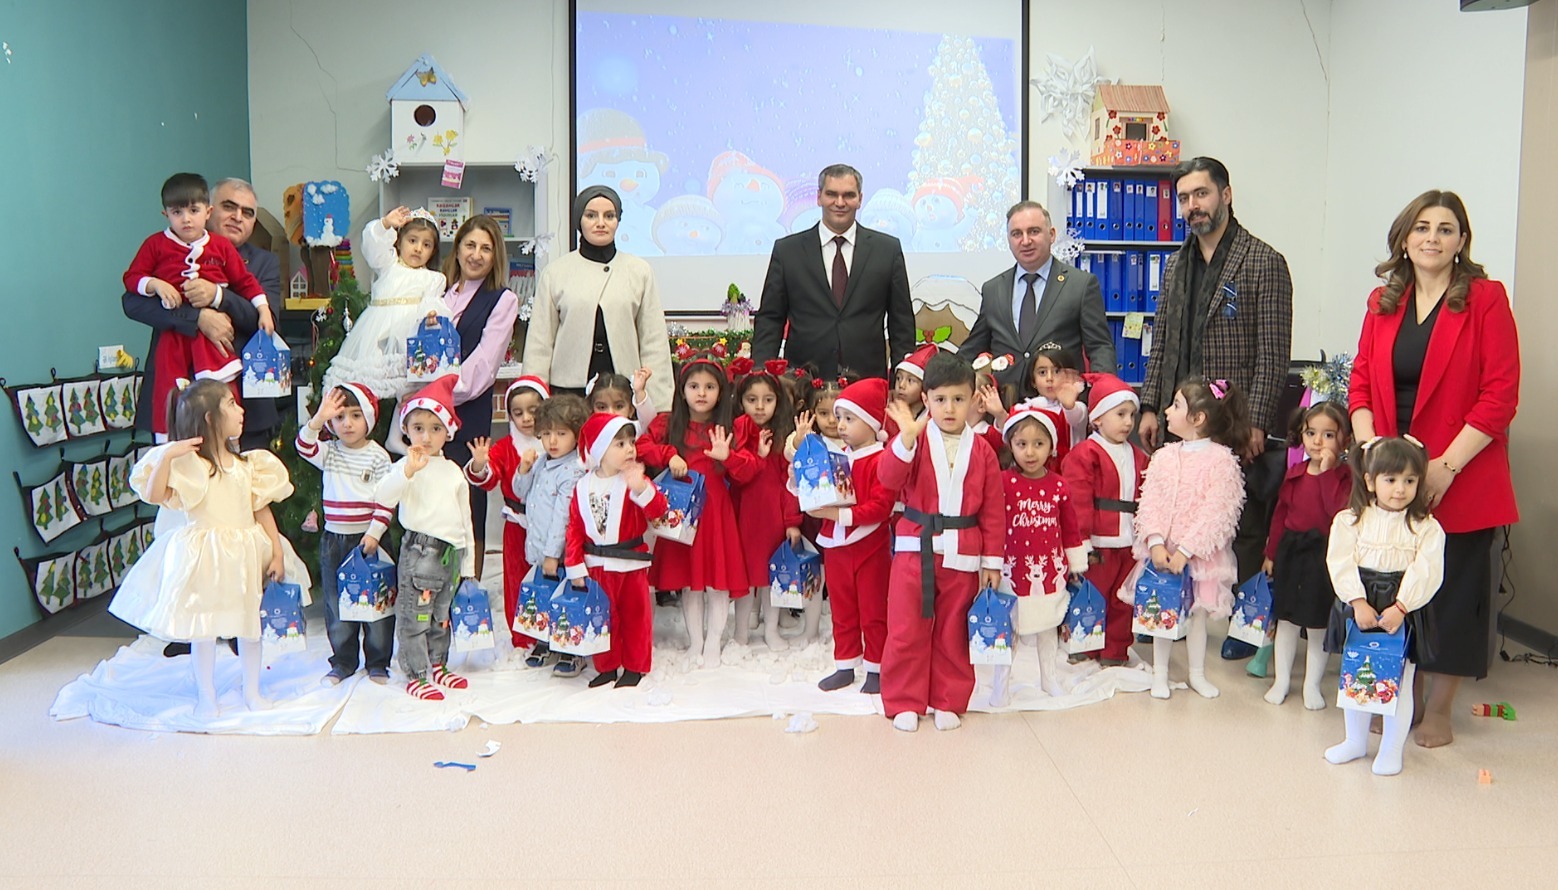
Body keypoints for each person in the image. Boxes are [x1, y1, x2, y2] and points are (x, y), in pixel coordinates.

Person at [1346, 189, 1519, 748]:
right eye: (1422, 227)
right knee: (1392, 585)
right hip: (1391, 476)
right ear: (1404, 238)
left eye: (1445, 229)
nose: (1432, 238)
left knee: (1451, 592)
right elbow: (1360, 384)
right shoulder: (1382, 301)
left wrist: (1445, 467)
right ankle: (1396, 695)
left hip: (1461, 469)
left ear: (1462, 241)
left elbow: (1500, 395)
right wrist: (1372, 453)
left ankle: (1439, 710)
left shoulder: (1486, 299)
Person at [1138, 158, 1293, 657]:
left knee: (1237, 524)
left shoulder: (1263, 261)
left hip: (1232, 416)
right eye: (1184, 198)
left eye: (1201, 194)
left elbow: (1273, 353)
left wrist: (1257, 421)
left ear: (1226, 194)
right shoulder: (1176, 265)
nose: (1192, 206)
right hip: (1182, 415)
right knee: (1180, 516)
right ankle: (1172, 613)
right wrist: (1150, 405)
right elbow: (1162, 342)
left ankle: (1242, 628)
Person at [108, 379, 307, 718]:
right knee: (203, 629)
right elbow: (155, 495)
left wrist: (276, 551)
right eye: (231, 404)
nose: (241, 410)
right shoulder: (191, 467)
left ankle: (252, 690)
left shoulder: (247, 465)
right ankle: (206, 694)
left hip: (244, 553)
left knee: (250, 625)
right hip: (204, 556)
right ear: (211, 418)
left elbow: (261, 509)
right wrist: (168, 455)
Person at [878, 353, 1005, 732]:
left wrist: (992, 562)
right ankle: (904, 700)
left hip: (963, 552)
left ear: (973, 399)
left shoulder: (982, 450)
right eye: (940, 399)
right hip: (915, 548)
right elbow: (887, 479)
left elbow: (993, 510)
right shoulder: (915, 440)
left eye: (958, 399)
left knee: (953, 632)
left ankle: (948, 699)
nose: (949, 408)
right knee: (906, 628)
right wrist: (904, 439)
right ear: (926, 399)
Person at [123, 177, 284, 451]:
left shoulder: (264, 262)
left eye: (247, 213)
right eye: (229, 207)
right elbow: (133, 303)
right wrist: (197, 318)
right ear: (210, 210)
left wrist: (218, 296)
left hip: (244, 404)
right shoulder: (162, 247)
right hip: (176, 389)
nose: (237, 217)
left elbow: (268, 322)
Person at [1322, 437, 1444, 777]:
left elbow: (1428, 570)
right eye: (1391, 479)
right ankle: (1355, 741)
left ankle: (1391, 749)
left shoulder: (1426, 527)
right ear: (1370, 480)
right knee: (1355, 673)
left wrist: (1402, 607)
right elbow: (1340, 561)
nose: (1400, 489)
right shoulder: (1349, 520)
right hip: (1361, 600)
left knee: (1400, 681)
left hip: (1403, 606)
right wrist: (1357, 601)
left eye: (1409, 480)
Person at [1121, 378, 1248, 700]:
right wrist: (1155, 542)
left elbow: (1219, 512)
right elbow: (1150, 500)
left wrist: (1188, 550)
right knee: (1160, 614)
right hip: (1163, 552)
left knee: (1197, 617)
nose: (1166, 411)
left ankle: (1196, 673)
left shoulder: (1222, 461)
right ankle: (1160, 674)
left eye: (1176, 405)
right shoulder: (1164, 456)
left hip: (1200, 556)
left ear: (1198, 418)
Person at [635, 358, 758, 667]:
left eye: (709, 387)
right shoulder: (668, 424)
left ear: (721, 392)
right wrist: (669, 455)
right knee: (690, 583)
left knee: (717, 583)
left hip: (716, 512)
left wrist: (728, 458)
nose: (701, 393)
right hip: (682, 514)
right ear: (682, 390)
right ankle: (696, 642)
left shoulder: (731, 428)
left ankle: (713, 641)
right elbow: (641, 446)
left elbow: (748, 471)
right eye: (694, 386)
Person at [363, 376, 475, 701]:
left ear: (447, 432)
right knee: (415, 615)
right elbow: (382, 496)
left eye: (435, 428)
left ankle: (438, 663)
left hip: (450, 553)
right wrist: (406, 472)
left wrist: (467, 563)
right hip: (420, 552)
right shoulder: (405, 467)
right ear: (406, 430)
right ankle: (415, 671)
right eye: (418, 428)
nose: (426, 437)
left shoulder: (453, 471)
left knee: (441, 615)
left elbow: (465, 519)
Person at [752, 164, 915, 379]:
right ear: (819, 197)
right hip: (803, 382)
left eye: (848, 195)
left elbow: (901, 322)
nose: (840, 203)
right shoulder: (787, 251)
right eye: (831, 194)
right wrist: (761, 374)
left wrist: (903, 380)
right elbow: (770, 319)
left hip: (866, 381)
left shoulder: (887, 250)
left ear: (860, 199)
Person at [522, 185, 674, 412]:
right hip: (568, 391)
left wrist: (660, 406)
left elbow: (653, 341)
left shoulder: (639, 271)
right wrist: (532, 399)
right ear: (579, 221)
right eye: (591, 215)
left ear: (618, 221)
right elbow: (540, 343)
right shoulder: (556, 273)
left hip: (624, 389)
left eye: (609, 216)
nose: (600, 223)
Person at [439, 215, 522, 580]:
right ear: (457, 249)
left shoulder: (502, 300)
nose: (476, 255)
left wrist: (438, 395)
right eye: (470, 245)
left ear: (495, 256)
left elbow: (484, 365)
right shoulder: (436, 293)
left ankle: (468, 587)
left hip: (465, 416)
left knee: (468, 503)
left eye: (486, 249)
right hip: (425, 418)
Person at [295, 383, 395, 686]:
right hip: (334, 540)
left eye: (355, 415)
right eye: (339, 418)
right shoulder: (330, 453)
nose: (347, 424)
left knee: (378, 603)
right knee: (336, 603)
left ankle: (378, 662)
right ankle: (343, 661)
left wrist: (375, 533)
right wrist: (317, 419)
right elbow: (303, 446)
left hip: (370, 540)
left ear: (369, 418)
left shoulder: (378, 456)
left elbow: (387, 500)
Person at [565, 413, 670, 689]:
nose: (630, 450)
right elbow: (574, 528)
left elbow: (659, 510)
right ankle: (607, 666)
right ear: (600, 449)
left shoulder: (634, 479)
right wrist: (575, 565)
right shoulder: (582, 486)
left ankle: (635, 666)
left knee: (635, 617)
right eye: (620, 444)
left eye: (631, 443)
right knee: (602, 617)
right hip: (597, 566)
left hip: (631, 563)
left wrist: (641, 488)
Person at [959, 201, 1115, 384]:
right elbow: (973, 348)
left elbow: (1099, 347)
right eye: (1017, 234)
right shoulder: (993, 289)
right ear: (1008, 240)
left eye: (1034, 231)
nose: (1025, 241)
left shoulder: (1080, 285)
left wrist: (1104, 392)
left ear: (1052, 235)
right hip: (1005, 398)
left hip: (1059, 398)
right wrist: (939, 380)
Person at [994, 407, 1088, 706]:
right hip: (1013, 572)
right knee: (1009, 629)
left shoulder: (1059, 485)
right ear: (1011, 445)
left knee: (1049, 625)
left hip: (1050, 572)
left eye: (1039, 444)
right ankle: (1000, 685)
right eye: (1022, 444)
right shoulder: (1002, 483)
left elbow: (1070, 528)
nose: (1030, 452)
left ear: (1051, 446)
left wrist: (1076, 562)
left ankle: (1049, 678)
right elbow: (993, 524)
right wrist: (989, 563)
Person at [1262, 401, 1351, 709]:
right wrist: (1271, 553)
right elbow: (1280, 514)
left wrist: (1326, 473)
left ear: (1344, 441)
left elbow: (1336, 511)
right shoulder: (1295, 473)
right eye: (1311, 433)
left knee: (1317, 624)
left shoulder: (1344, 477)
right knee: (1285, 621)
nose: (1317, 441)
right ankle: (1282, 680)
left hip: (1323, 556)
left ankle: (1312, 684)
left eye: (1328, 435)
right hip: (1291, 552)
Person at [807, 377, 894, 693]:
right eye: (838, 417)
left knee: (873, 609)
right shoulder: (836, 455)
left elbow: (881, 507)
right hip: (835, 545)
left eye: (849, 418)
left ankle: (877, 667)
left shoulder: (881, 460)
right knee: (842, 608)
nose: (839, 425)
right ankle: (845, 664)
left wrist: (836, 515)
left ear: (871, 423)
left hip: (869, 545)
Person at [1060, 374, 1149, 666]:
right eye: (1120, 414)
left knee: (1123, 598)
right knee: (1091, 595)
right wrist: (1082, 542)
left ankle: (1115, 650)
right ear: (1097, 418)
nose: (1128, 422)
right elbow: (1078, 500)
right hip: (1098, 542)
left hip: (1129, 542)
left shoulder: (1138, 456)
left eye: (1132, 415)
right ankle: (1084, 644)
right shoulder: (1085, 454)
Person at [322, 206, 450, 401]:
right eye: (412, 241)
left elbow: (432, 307)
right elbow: (372, 246)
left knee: (405, 391)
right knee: (368, 384)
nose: (418, 248)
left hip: (408, 337)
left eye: (426, 245)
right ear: (399, 242)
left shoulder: (434, 278)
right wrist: (385, 224)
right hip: (374, 333)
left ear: (433, 251)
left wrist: (432, 316)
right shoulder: (388, 264)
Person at [509, 394, 591, 677]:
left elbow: (563, 518)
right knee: (542, 594)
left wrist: (552, 554)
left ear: (577, 434)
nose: (552, 441)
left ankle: (571, 650)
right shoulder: (542, 461)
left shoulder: (574, 470)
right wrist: (523, 469)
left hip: (560, 553)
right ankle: (545, 641)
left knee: (567, 599)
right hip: (538, 545)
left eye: (561, 433)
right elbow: (520, 493)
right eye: (546, 434)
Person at [463, 376, 547, 653]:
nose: (526, 418)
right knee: (517, 579)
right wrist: (479, 465)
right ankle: (523, 637)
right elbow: (489, 480)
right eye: (518, 413)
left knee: (550, 576)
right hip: (517, 524)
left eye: (533, 410)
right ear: (510, 415)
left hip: (551, 525)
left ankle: (551, 633)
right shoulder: (504, 448)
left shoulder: (557, 441)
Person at [730, 360, 802, 651]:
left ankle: (771, 630)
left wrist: (792, 522)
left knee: (774, 578)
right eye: (752, 400)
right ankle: (740, 632)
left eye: (767, 400)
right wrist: (755, 455)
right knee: (746, 579)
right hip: (744, 518)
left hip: (773, 519)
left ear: (778, 402)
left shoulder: (782, 438)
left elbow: (790, 484)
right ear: (741, 401)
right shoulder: (736, 436)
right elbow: (736, 477)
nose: (760, 407)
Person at [586, 368, 656, 435]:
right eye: (602, 407)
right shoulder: (588, 433)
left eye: (619, 407)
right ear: (592, 409)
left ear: (631, 409)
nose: (610, 413)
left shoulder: (636, 429)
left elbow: (651, 424)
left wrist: (639, 392)